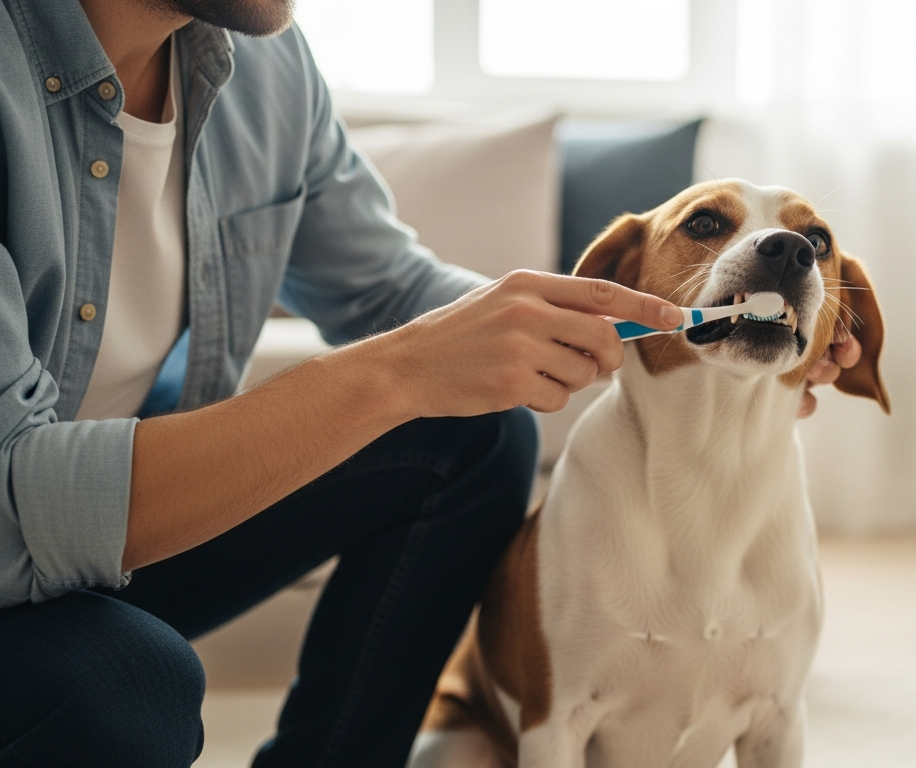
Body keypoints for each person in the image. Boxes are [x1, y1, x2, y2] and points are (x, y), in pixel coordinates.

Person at [0, 0, 863, 765]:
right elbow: (17, 502)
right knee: (125, 693)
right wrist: (399, 370)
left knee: (476, 428)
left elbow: (388, 291)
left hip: (123, 545)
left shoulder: (263, 63)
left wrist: (570, 327)